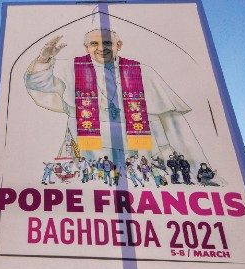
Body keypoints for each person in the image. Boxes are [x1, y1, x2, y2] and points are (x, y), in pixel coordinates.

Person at [25, 28, 209, 176]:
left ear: (118, 45)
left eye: (107, 43)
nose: (100, 48)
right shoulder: (70, 68)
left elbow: (169, 119)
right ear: (86, 47)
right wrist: (43, 59)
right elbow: (39, 84)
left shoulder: (142, 71)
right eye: (94, 44)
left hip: (135, 145)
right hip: (89, 144)